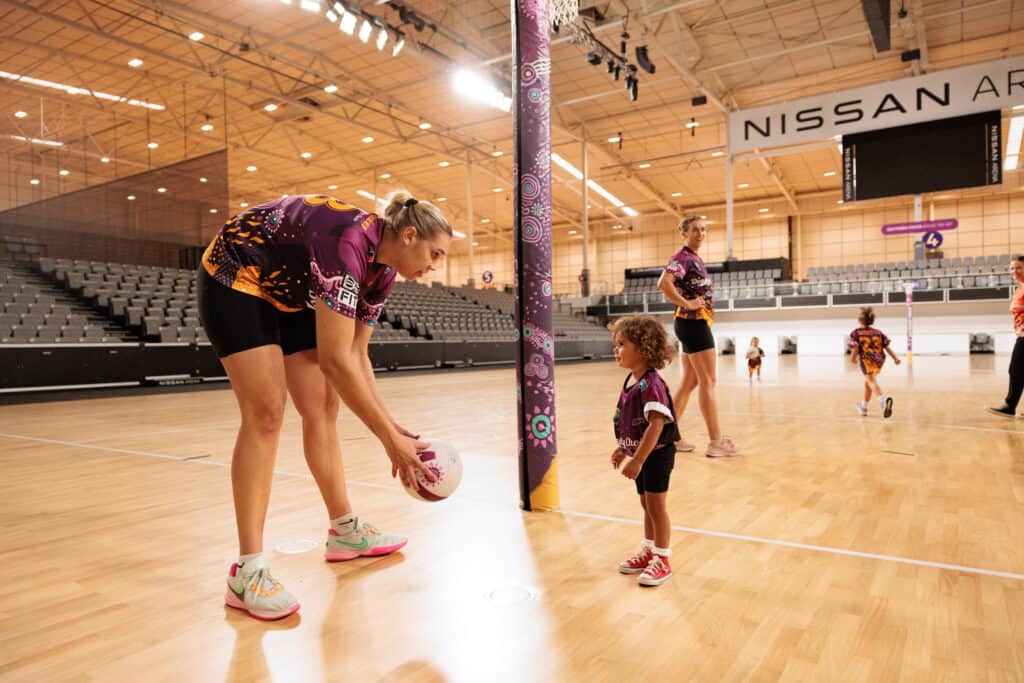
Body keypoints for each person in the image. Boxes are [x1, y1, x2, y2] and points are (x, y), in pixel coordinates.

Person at [198, 191, 452, 620]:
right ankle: (248, 571)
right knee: (266, 413)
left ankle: (345, 531)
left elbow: (356, 355)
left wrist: (394, 427)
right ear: (409, 235)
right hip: (237, 270)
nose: (435, 265)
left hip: (287, 286)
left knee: (322, 406)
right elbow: (335, 359)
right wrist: (386, 440)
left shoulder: (382, 272)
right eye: (435, 253)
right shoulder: (348, 243)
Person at [656, 215, 741, 458]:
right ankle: (716, 442)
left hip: (692, 324)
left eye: (703, 229)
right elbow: (664, 283)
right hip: (693, 325)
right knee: (709, 382)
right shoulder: (682, 257)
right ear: (684, 233)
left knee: (690, 383)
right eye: (695, 230)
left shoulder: (694, 258)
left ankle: (668, 436)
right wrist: (686, 303)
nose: (700, 234)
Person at [610, 315, 681, 587]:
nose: (616, 350)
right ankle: (649, 550)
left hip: (657, 454)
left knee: (656, 508)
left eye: (622, 344)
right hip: (642, 454)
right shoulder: (632, 379)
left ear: (643, 348)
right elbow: (634, 424)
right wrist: (623, 448)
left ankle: (662, 559)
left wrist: (638, 459)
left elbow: (655, 424)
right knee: (646, 506)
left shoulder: (651, 384)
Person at [988, 254, 1024, 418]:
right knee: (1016, 370)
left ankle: (1010, 406)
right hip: (1021, 334)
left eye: (1018, 267)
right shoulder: (1019, 288)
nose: (1014, 271)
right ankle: (1010, 406)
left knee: (1016, 369)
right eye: (1012, 268)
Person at [849, 307, 900, 418]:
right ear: (871, 321)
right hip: (880, 358)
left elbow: (856, 348)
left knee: (871, 382)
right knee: (868, 383)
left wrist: (852, 358)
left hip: (866, 358)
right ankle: (864, 407)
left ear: (859, 321)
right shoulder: (878, 332)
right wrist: (895, 358)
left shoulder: (856, 333)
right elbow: (886, 347)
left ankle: (883, 400)